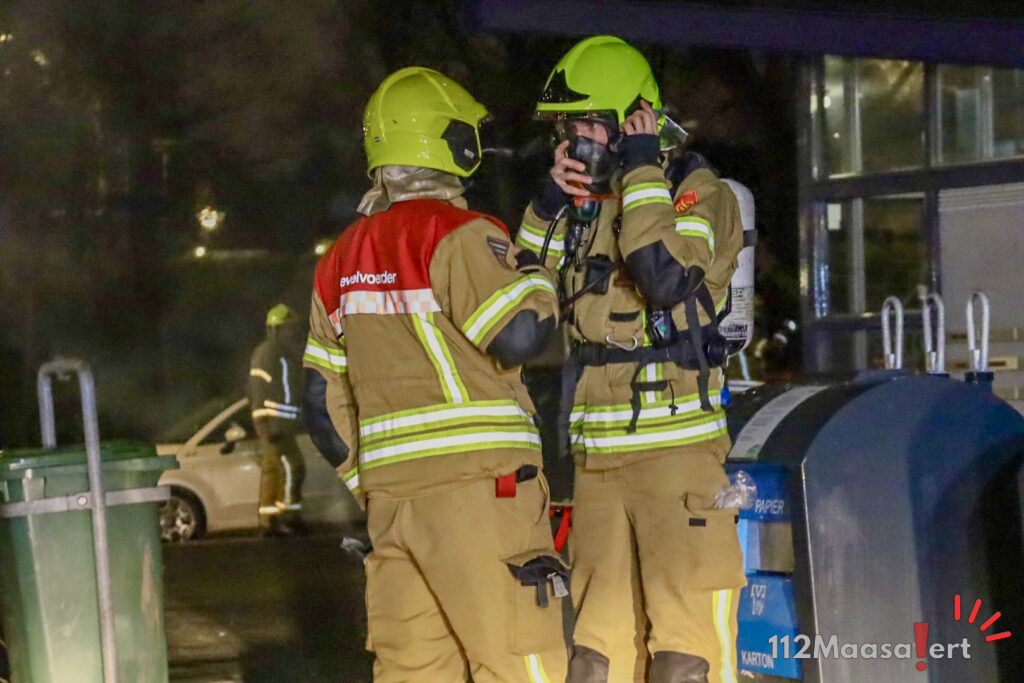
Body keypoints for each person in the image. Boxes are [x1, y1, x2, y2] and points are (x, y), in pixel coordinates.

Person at [301, 66, 568, 682]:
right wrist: (535, 273)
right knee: (520, 665)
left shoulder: (338, 261)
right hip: (483, 495)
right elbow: (520, 335)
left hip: (392, 506)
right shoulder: (458, 233)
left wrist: (375, 484)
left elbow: (320, 406)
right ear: (448, 143)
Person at [517, 36, 747, 683]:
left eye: (586, 122)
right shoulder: (587, 207)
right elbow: (522, 303)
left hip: (676, 455)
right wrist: (546, 206)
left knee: (684, 652)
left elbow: (665, 278)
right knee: (594, 653)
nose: (574, 139)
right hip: (598, 457)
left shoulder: (697, 191)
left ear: (632, 120)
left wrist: (643, 168)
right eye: (566, 127)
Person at [249, 303, 306, 535]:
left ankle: (268, 521)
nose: (291, 332)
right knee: (293, 468)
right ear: (274, 329)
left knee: (272, 471)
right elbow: (258, 390)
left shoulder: (283, 353)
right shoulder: (269, 353)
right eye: (286, 328)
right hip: (275, 425)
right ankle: (289, 516)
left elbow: (289, 391)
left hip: (281, 424)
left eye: (292, 327)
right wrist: (265, 425)